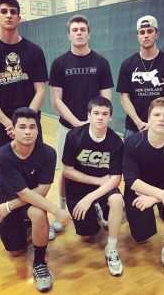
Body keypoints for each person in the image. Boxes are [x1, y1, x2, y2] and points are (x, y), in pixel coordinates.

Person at [0, 0, 49, 245]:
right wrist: (9, 123)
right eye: (3, 11)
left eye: (13, 12)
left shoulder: (34, 51)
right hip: (2, 123)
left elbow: (40, 90)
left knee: (35, 172)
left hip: (28, 124)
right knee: (1, 174)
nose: (8, 15)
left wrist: (26, 122)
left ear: (19, 17)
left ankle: (38, 218)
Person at [0, 107, 72, 292]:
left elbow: (42, 190)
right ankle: (8, 224)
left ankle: (40, 263)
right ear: (13, 129)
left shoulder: (48, 153)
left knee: (38, 213)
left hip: (19, 203)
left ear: (37, 129)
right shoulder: (2, 156)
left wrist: (11, 207)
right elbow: (24, 193)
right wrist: (56, 210)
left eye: (32, 127)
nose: (27, 131)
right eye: (22, 127)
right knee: (15, 251)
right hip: (4, 201)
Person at [49, 14, 114, 232]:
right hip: (68, 128)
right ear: (68, 35)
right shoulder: (59, 63)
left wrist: (93, 124)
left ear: (89, 33)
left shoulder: (101, 63)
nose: (78, 33)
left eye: (82, 29)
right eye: (74, 30)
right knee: (66, 171)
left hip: (95, 129)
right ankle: (62, 210)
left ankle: (97, 205)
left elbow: (106, 99)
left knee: (96, 168)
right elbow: (56, 101)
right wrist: (77, 123)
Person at [122, 97, 164, 281]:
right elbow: (131, 180)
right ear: (149, 118)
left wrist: (156, 198)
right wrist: (161, 196)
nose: (161, 119)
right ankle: (128, 211)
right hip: (137, 191)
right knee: (142, 237)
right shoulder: (133, 142)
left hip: (160, 188)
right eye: (157, 115)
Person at [62, 97, 124, 276]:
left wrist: (91, 197)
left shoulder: (116, 142)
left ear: (111, 117)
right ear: (88, 115)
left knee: (117, 200)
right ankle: (98, 210)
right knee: (86, 236)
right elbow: (67, 171)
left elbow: (115, 179)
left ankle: (111, 248)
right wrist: (96, 183)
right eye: (96, 113)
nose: (100, 118)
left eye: (105, 114)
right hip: (80, 185)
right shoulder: (74, 136)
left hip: (104, 186)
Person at [117, 15, 164, 139]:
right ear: (138, 37)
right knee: (131, 159)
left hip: (160, 127)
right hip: (134, 128)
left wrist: (154, 123)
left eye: (149, 31)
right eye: (142, 32)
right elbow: (124, 98)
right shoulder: (127, 64)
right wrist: (139, 123)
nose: (146, 35)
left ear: (157, 34)